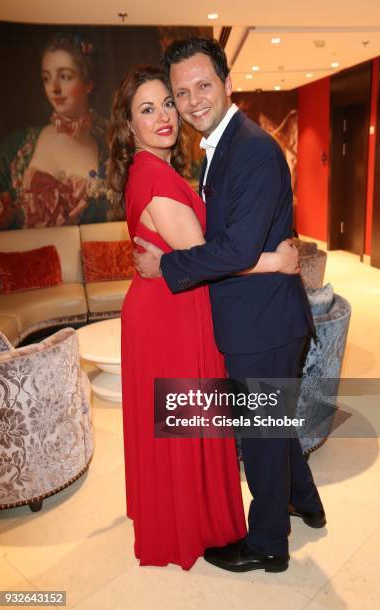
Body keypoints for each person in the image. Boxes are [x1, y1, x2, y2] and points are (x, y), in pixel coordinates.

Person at [133, 37, 326, 573]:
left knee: (260, 434)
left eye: (203, 86)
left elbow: (237, 248)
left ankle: (267, 543)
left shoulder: (253, 149)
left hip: (262, 322)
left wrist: (166, 267)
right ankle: (304, 500)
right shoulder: (223, 145)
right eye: (181, 92)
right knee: (274, 421)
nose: (192, 100)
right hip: (261, 315)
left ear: (228, 84)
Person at [0, 32, 122, 230]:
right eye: (47, 78)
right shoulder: (16, 147)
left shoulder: (112, 144)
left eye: (65, 76)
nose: (54, 88)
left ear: (88, 82)